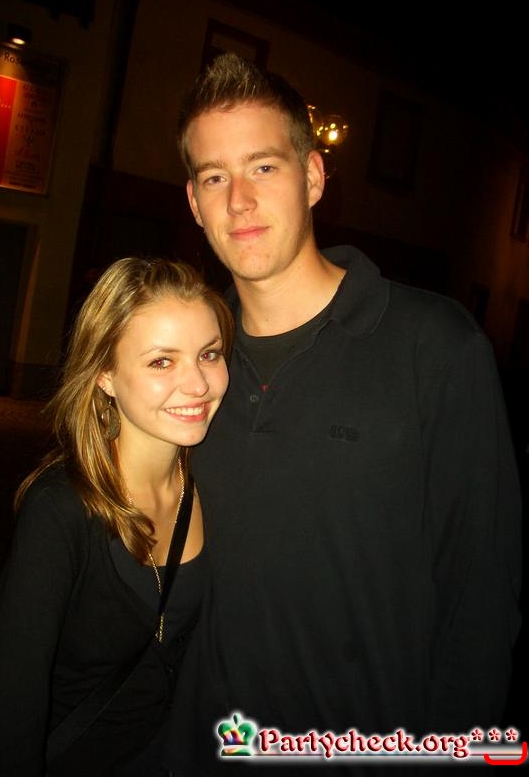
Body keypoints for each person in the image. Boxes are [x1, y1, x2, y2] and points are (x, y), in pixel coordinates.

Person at [163, 52, 524, 775]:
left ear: (313, 177)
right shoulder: (188, 371)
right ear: (195, 203)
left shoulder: (435, 348)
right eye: (214, 177)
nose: (239, 200)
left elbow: (481, 604)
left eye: (264, 167)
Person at [0, 257, 233, 776]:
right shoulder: (61, 509)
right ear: (105, 373)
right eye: (161, 361)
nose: (198, 384)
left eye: (209, 354)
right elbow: (6, 707)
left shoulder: (219, 486)